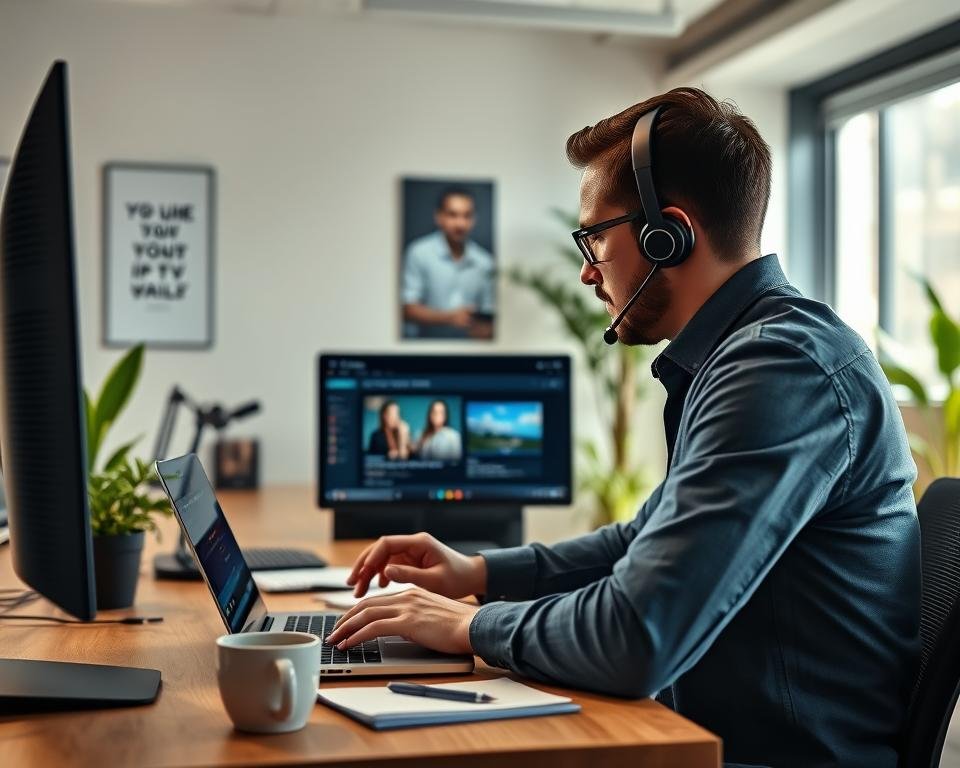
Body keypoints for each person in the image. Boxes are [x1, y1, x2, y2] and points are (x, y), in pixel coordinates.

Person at [327, 88, 920, 768]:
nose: (585, 271)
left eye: (594, 238)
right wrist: (479, 573)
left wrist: (470, 627)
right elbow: (643, 539)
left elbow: (638, 637)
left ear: (667, 235)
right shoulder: (746, 352)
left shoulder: (780, 369)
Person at [401, 187, 495, 339]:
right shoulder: (419, 252)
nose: (460, 223)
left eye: (467, 216)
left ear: (474, 219)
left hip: (471, 353)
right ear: (439, 217)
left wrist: (486, 328)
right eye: (453, 215)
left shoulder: (485, 262)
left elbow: (489, 313)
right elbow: (407, 309)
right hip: (423, 350)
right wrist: (449, 318)